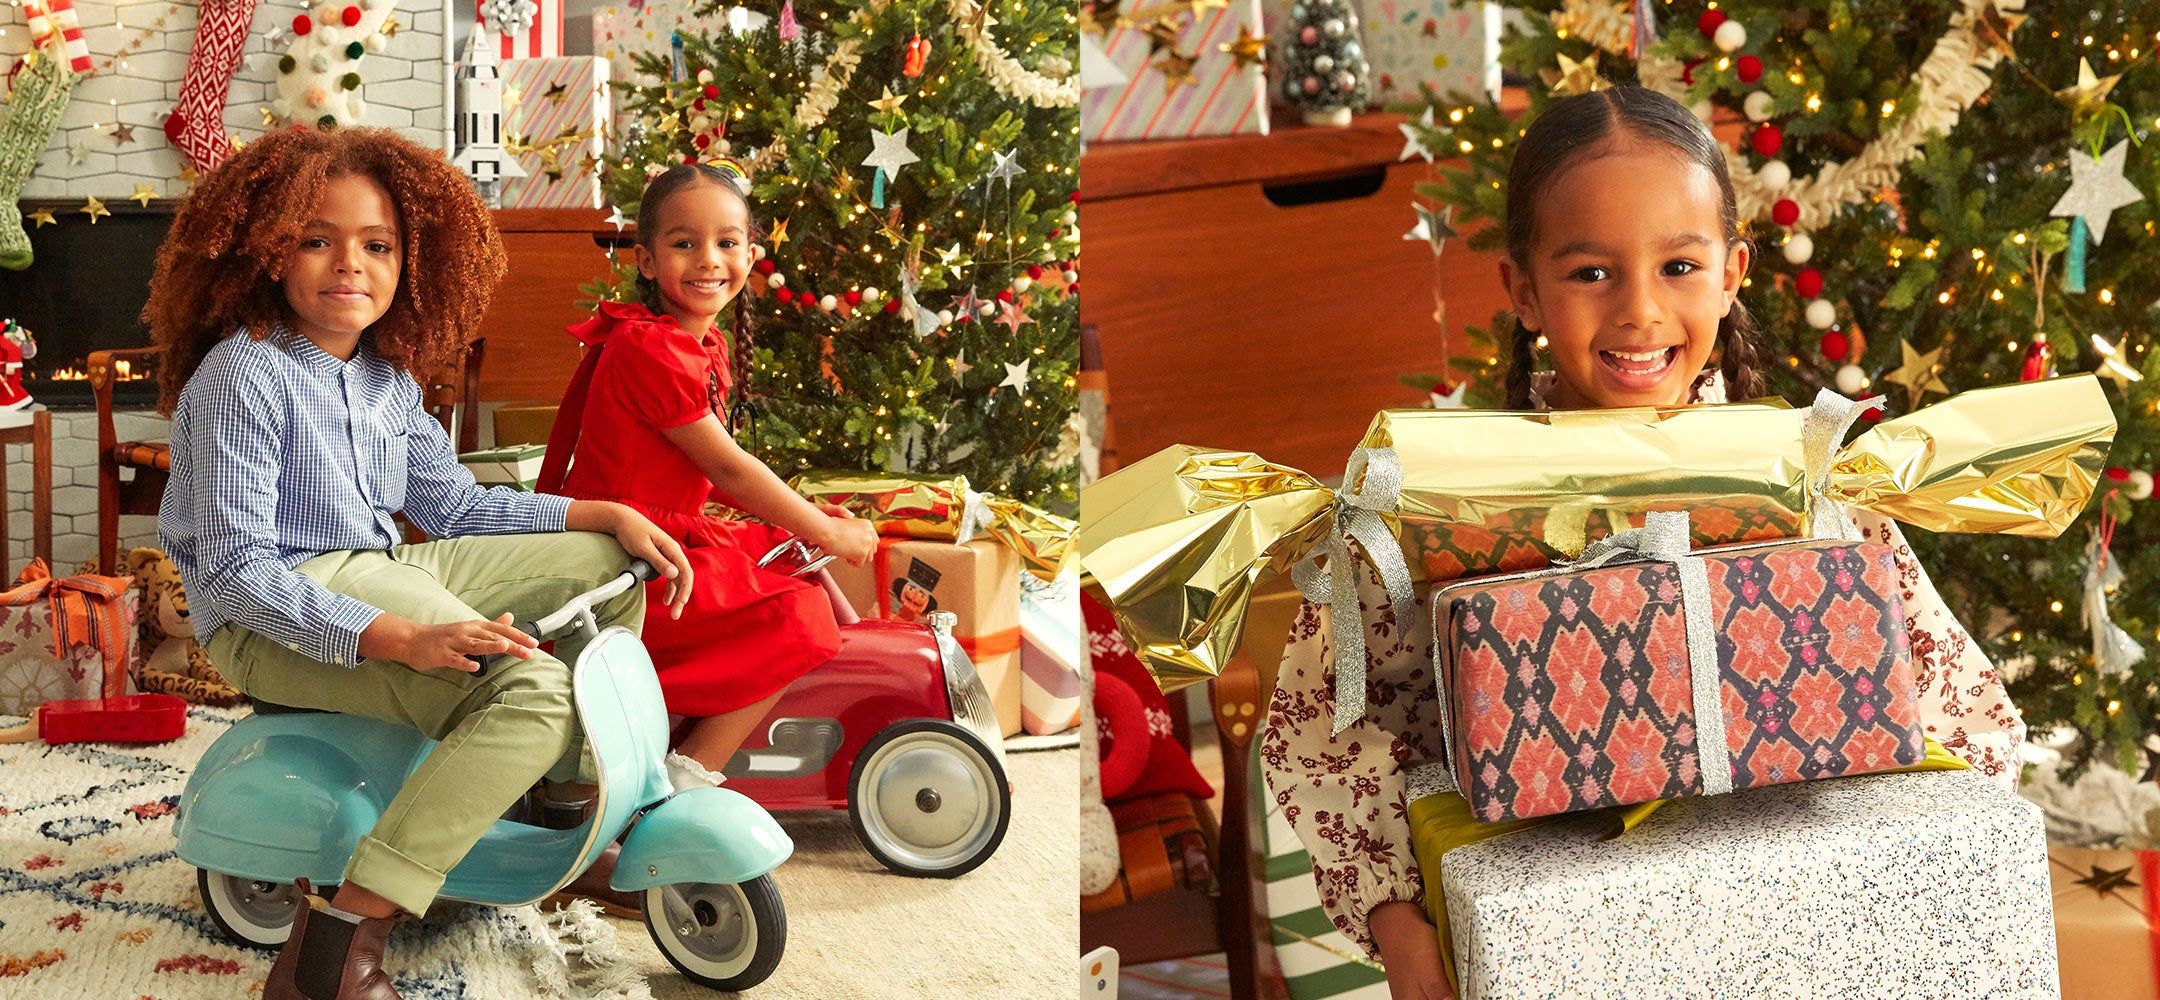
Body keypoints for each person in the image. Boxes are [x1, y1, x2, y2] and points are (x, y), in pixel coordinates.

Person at [1257, 85, 2027, 1000]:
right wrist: (1403, 928)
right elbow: (1325, 740)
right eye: (1590, 272)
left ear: (1734, 270)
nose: (1638, 312)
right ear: (1522, 289)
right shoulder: (1432, 506)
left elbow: (1965, 720)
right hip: (1547, 959)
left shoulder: (1811, 492)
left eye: (1679, 266)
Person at [147, 123, 697, 1000]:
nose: (348, 265)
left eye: (378, 245)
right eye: (316, 240)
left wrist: (607, 513)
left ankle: (560, 810)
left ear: (412, 261)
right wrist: (396, 636)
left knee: (599, 563)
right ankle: (340, 938)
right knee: (535, 687)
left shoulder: (384, 380)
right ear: (268, 252)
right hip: (275, 604)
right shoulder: (242, 376)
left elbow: (454, 509)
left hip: (382, 565)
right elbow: (238, 568)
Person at [536, 160, 879, 867]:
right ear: (649, 258)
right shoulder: (650, 346)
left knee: (773, 557)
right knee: (800, 615)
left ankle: (678, 747)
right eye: (686, 243)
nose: (709, 260)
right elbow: (727, 467)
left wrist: (799, 518)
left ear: (753, 255)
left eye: (727, 243)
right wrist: (825, 529)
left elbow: (698, 470)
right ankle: (679, 781)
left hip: (656, 534)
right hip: (625, 558)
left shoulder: (689, 340)